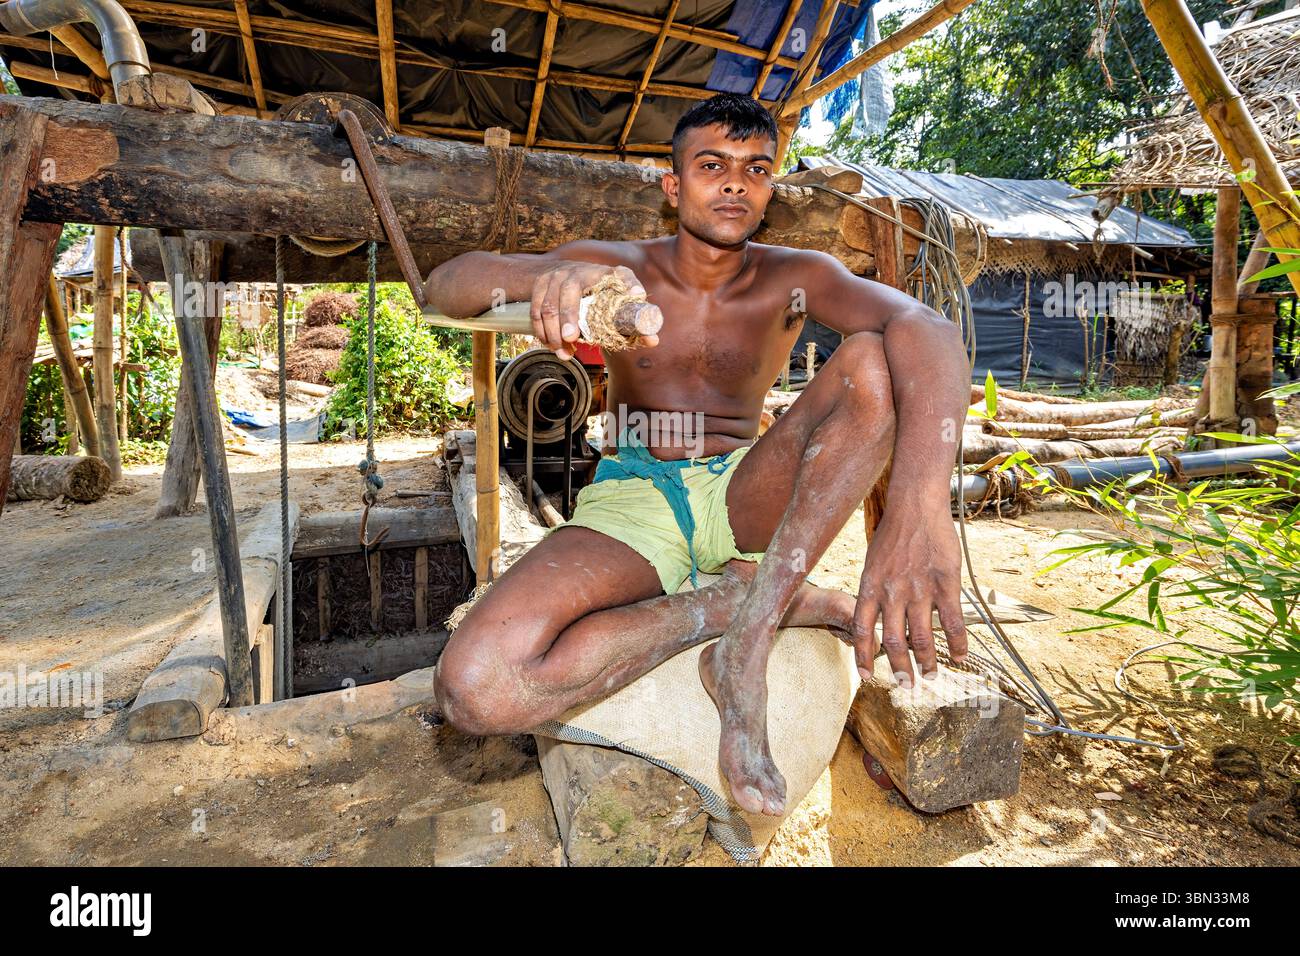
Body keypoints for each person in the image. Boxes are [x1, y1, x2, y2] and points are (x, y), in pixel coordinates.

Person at [423, 93, 970, 816]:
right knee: (477, 685)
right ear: (675, 185)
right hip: (635, 491)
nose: (735, 183)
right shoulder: (614, 267)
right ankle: (732, 606)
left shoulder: (795, 276)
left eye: (756, 168)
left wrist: (922, 502)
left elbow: (925, 324)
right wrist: (542, 279)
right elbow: (445, 283)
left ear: (770, 190)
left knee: (872, 359)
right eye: (712, 165)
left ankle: (745, 645)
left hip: (746, 492)